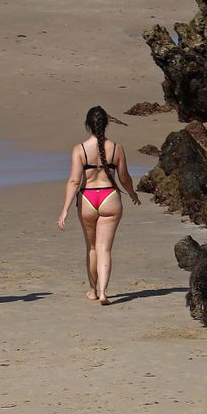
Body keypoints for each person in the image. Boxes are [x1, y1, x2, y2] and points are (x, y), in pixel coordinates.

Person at [56, 106, 141, 305]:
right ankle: (104, 292)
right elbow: (125, 178)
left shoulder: (80, 149)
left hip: (87, 199)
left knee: (92, 248)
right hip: (110, 196)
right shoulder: (117, 148)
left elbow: (74, 182)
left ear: (88, 125)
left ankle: (93, 290)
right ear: (106, 124)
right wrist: (132, 193)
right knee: (105, 249)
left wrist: (64, 211)